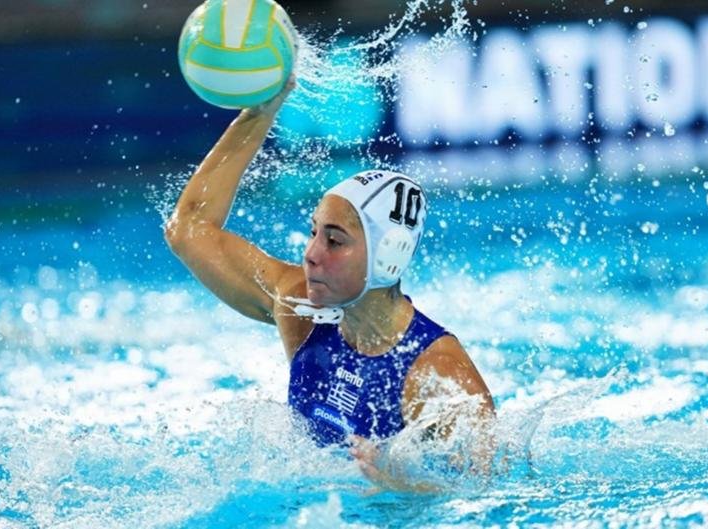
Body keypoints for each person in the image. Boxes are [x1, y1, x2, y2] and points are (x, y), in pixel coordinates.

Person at [164, 77, 494, 491]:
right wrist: (261, 111)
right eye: (314, 231)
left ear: (388, 255)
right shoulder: (301, 308)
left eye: (334, 241)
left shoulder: (439, 376)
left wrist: (400, 487)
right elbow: (188, 228)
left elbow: (484, 492)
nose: (311, 254)